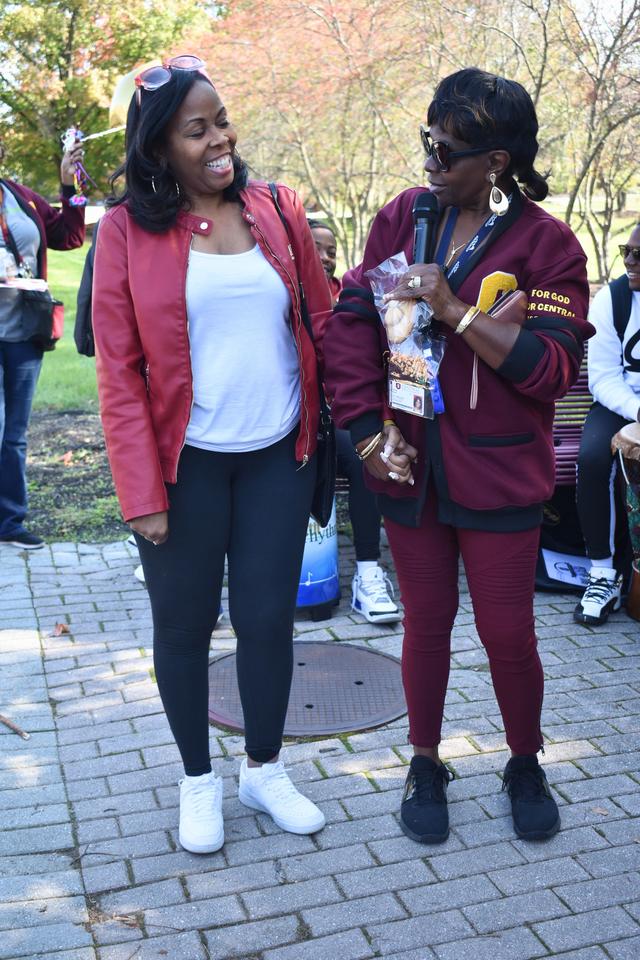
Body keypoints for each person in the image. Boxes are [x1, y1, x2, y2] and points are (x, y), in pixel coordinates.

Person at [324, 67, 592, 844]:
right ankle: (424, 760)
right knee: (426, 624)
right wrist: (371, 433)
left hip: (499, 470)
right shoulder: (402, 218)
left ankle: (524, 760)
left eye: (448, 149)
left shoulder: (547, 244)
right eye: (428, 141)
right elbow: (350, 325)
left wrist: (453, 308)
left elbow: (547, 370)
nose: (431, 160)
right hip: (408, 465)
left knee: (508, 634)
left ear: (497, 161)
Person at [92, 56, 331, 855]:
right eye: (197, 129)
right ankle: (198, 780)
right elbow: (120, 374)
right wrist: (141, 493)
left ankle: (263, 769)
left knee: (267, 620)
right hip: (182, 464)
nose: (221, 138)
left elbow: (324, 324)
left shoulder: (275, 210)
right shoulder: (127, 230)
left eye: (222, 119)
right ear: (159, 149)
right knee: (184, 626)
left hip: (278, 455)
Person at [308, 218, 400, 623]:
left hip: (338, 418)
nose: (326, 257)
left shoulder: (346, 293)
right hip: (290, 419)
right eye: (317, 247)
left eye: (331, 250)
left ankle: (368, 571)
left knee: (368, 456)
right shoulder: (280, 290)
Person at [0, 139, 85, 548]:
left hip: (23, 332)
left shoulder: (19, 197)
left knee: (14, 435)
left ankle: (11, 521)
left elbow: (69, 236)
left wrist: (69, 186)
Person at [574, 225, 640, 625]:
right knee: (593, 457)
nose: (630, 261)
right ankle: (602, 573)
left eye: (639, 254)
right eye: (626, 252)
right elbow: (602, 377)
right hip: (619, 404)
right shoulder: (611, 300)